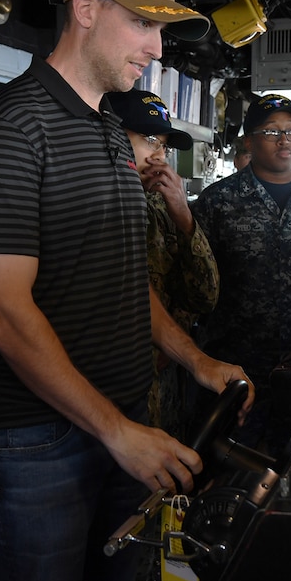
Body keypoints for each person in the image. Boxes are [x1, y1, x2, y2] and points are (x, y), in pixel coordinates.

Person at [0, 0, 253, 581]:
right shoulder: (9, 127)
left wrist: (194, 360)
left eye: (161, 29)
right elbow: (3, 311)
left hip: (119, 427)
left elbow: (124, 279)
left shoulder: (108, 134)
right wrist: (119, 431)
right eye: (142, 23)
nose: (156, 48)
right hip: (36, 447)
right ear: (85, 8)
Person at [192, 93, 291, 451]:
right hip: (232, 366)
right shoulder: (217, 202)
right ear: (249, 141)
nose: (284, 140)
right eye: (271, 131)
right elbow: (198, 283)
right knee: (227, 464)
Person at [107, 88, 220, 439]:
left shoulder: (162, 205)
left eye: (164, 146)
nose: (160, 156)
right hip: (110, 388)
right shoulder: (93, 198)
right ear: (112, 135)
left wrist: (184, 216)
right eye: (151, 140)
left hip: (167, 382)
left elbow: (205, 296)